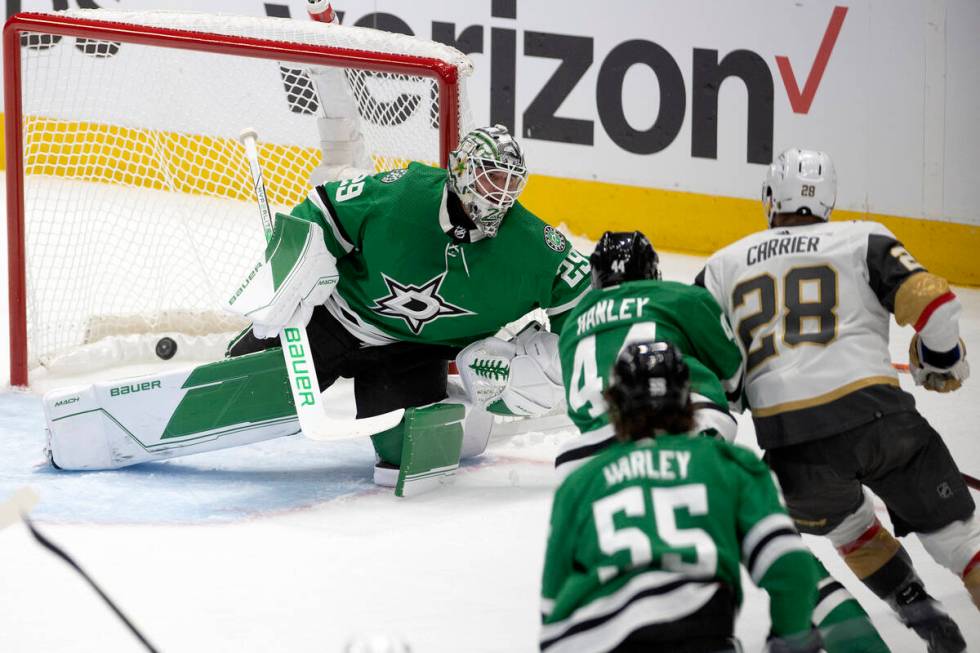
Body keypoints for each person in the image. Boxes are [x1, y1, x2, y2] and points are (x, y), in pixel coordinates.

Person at [43, 125, 588, 487]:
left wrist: (544, 366)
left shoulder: (532, 246)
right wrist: (291, 285)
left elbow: (586, 299)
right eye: (492, 178)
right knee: (239, 387)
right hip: (334, 320)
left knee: (408, 459)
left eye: (512, 184)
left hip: (412, 351)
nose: (501, 195)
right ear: (463, 169)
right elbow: (317, 214)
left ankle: (469, 419)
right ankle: (93, 429)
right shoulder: (402, 195)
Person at [697, 147, 978, 652]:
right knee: (964, 544)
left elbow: (714, 374)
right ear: (828, 199)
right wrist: (940, 359)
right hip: (882, 421)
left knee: (851, 530)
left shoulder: (722, 266)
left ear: (768, 197)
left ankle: (916, 605)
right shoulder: (861, 236)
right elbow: (936, 303)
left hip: (794, 445)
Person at [540, 340, 822, 652]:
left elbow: (551, 603)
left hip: (586, 639)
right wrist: (790, 639)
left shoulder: (581, 481)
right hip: (695, 626)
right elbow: (791, 566)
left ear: (615, 406)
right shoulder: (727, 463)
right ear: (688, 401)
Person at [555, 230, 743, 480]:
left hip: (594, 451)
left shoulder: (573, 323)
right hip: (686, 428)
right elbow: (734, 379)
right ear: (652, 271)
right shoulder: (681, 298)